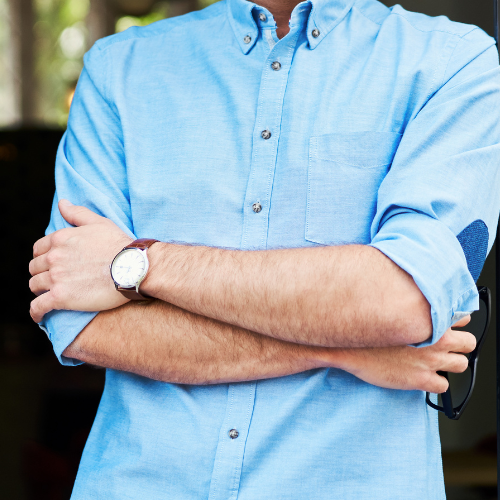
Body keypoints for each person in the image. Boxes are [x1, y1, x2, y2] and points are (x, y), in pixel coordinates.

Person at [28, 0, 500, 497]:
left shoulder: (453, 61)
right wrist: (347, 350)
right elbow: (80, 323)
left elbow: (401, 301)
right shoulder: (117, 67)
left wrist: (140, 264)